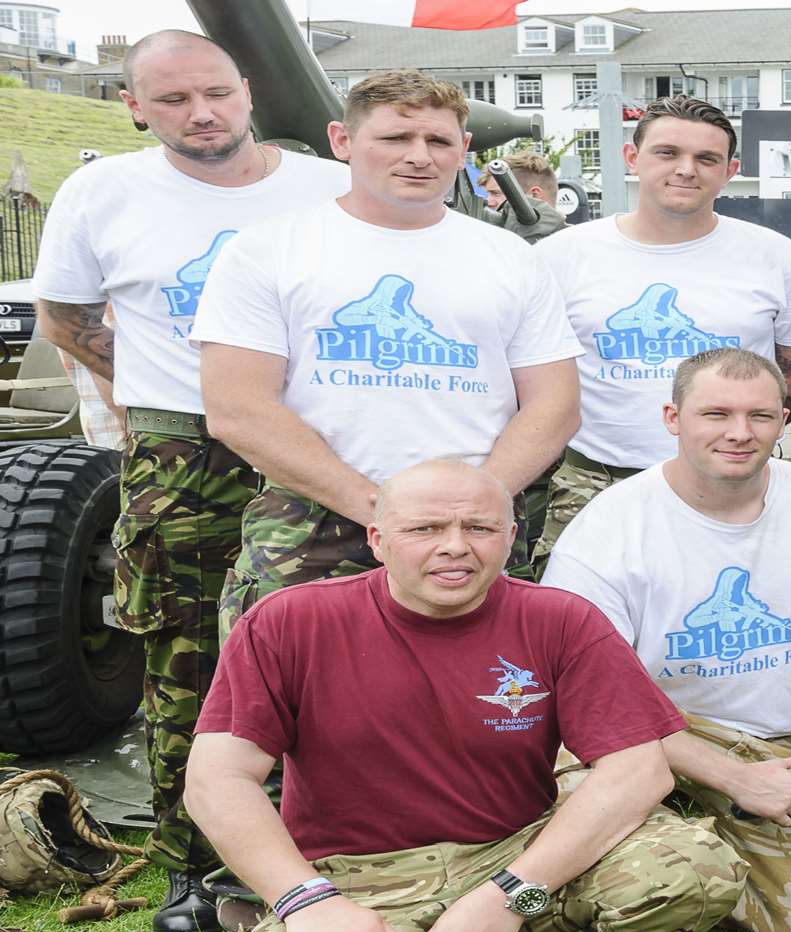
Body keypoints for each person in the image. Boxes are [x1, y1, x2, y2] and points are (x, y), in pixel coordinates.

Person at [185, 458, 745, 932]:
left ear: (510, 538)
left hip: (513, 850)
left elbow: (638, 772)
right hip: (354, 877)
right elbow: (217, 780)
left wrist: (511, 896)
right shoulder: (290, 621)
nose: (455, 547)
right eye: (425, 529)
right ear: (378, 540)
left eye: (479, 528)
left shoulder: (560, 619)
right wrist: (307, 902)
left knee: (693, 869)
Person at [31, 28, 349, 932]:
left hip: (314, 438)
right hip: (185, 455)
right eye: (172, 100)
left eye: (215, 92)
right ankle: (197, 866)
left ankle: (329, 843)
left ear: (248, 90)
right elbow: (67, 312)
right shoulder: (104, 191)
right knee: (186, 662)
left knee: (329, 652)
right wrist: (146, 402)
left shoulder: (323, 188)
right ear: (134, 106)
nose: (201, 113)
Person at [195, 68, 581, 631]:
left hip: (471, 530)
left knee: (484, 705)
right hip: (315, 522)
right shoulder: (269, 250)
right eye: (396, 139)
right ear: (342, 141)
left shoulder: (510, 258)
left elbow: (555, 406)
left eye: (438, 140)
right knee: (291, 704)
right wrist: (383, 511)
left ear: (464, 149)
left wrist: (470, 509)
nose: (419, 156)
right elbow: (236, 408)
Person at [542, 349, 791, 932]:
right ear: (672, 417)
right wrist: (734, 780)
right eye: (715, 413)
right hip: (638, 736)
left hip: (768, 740)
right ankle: (661, 851)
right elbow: (592, 699)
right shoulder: (608, 530)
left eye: (759, 416)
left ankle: (689, 838)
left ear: (783, 419)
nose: (739, 433)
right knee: (579, 807)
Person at [529, 95, 791, 572]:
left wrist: (728, 438)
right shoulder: (559, 257)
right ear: (633, 158)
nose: (686, 170)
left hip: (733, 489)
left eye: (706, 158)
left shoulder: (782, 260)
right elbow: (529, 376)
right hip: (595, 484)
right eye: (667, 153)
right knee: (577, 634)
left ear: (730, 170)